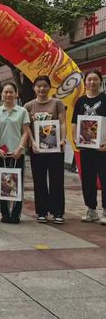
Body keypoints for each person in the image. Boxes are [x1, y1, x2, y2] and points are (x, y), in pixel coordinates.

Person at [24, 75, 67, 224]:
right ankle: (41, 212)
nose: (41, 89)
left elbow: (62, 123)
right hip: (37, 149)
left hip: (55, 148)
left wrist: (63, 139)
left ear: (49, 87)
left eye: (44, 86)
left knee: (56, 180)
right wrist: (32, 142)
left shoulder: (57, 103)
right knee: (39, 180)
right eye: (39, 86)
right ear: (34, 88)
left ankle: (58, 212)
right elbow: (26, 128)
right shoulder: (28, 106)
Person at [72, 69, 106, 225]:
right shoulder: (80, 101)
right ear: (85, 82)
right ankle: (91, 210)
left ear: (100, 81)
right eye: (89, 79)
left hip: (102, 148)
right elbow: (74, 122)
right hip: (85, 148)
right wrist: (75, 138)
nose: (92, 82)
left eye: (95, 79)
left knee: (104, 179)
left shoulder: (104, 99)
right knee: (87, 179)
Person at [0, 81, 30, 224]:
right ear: (1, 95)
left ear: (16, 94)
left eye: (11, 92)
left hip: (17, 153)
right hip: (2, 153)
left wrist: (20, 148)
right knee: (3, 183)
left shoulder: (22, 111)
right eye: (6, 92)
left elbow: (26, 132)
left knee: (17, 184)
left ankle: (16, 214)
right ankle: (4, 213)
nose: (8, 94)